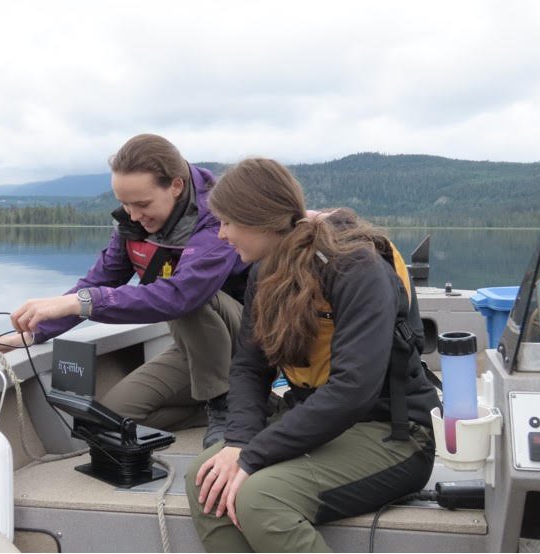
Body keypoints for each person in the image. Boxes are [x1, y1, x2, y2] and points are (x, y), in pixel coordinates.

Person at [185, 158, 440, 552]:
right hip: (312, 420)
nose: (220, 235)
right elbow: (250, 369)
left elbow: (353, 389)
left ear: (263, 221)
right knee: (206, 479)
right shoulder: (264, 272)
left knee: (261, 497)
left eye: (228, 222)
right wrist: (237, 441)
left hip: (392, 434)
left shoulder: (357, 268)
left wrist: (254, 457)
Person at [0, 134, 248, 447]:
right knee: (113, 418)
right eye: (124, 203)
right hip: (197, 349)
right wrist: (32, 333)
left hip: (250, 343)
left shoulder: (216, 217)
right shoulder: (134, 222)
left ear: (176, 187)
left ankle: (226, 405)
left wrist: (83, 303)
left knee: (194, 299)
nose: (133, 215)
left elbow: (181, 296)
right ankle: (247, 410)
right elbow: (100, 280)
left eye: (142, 204)